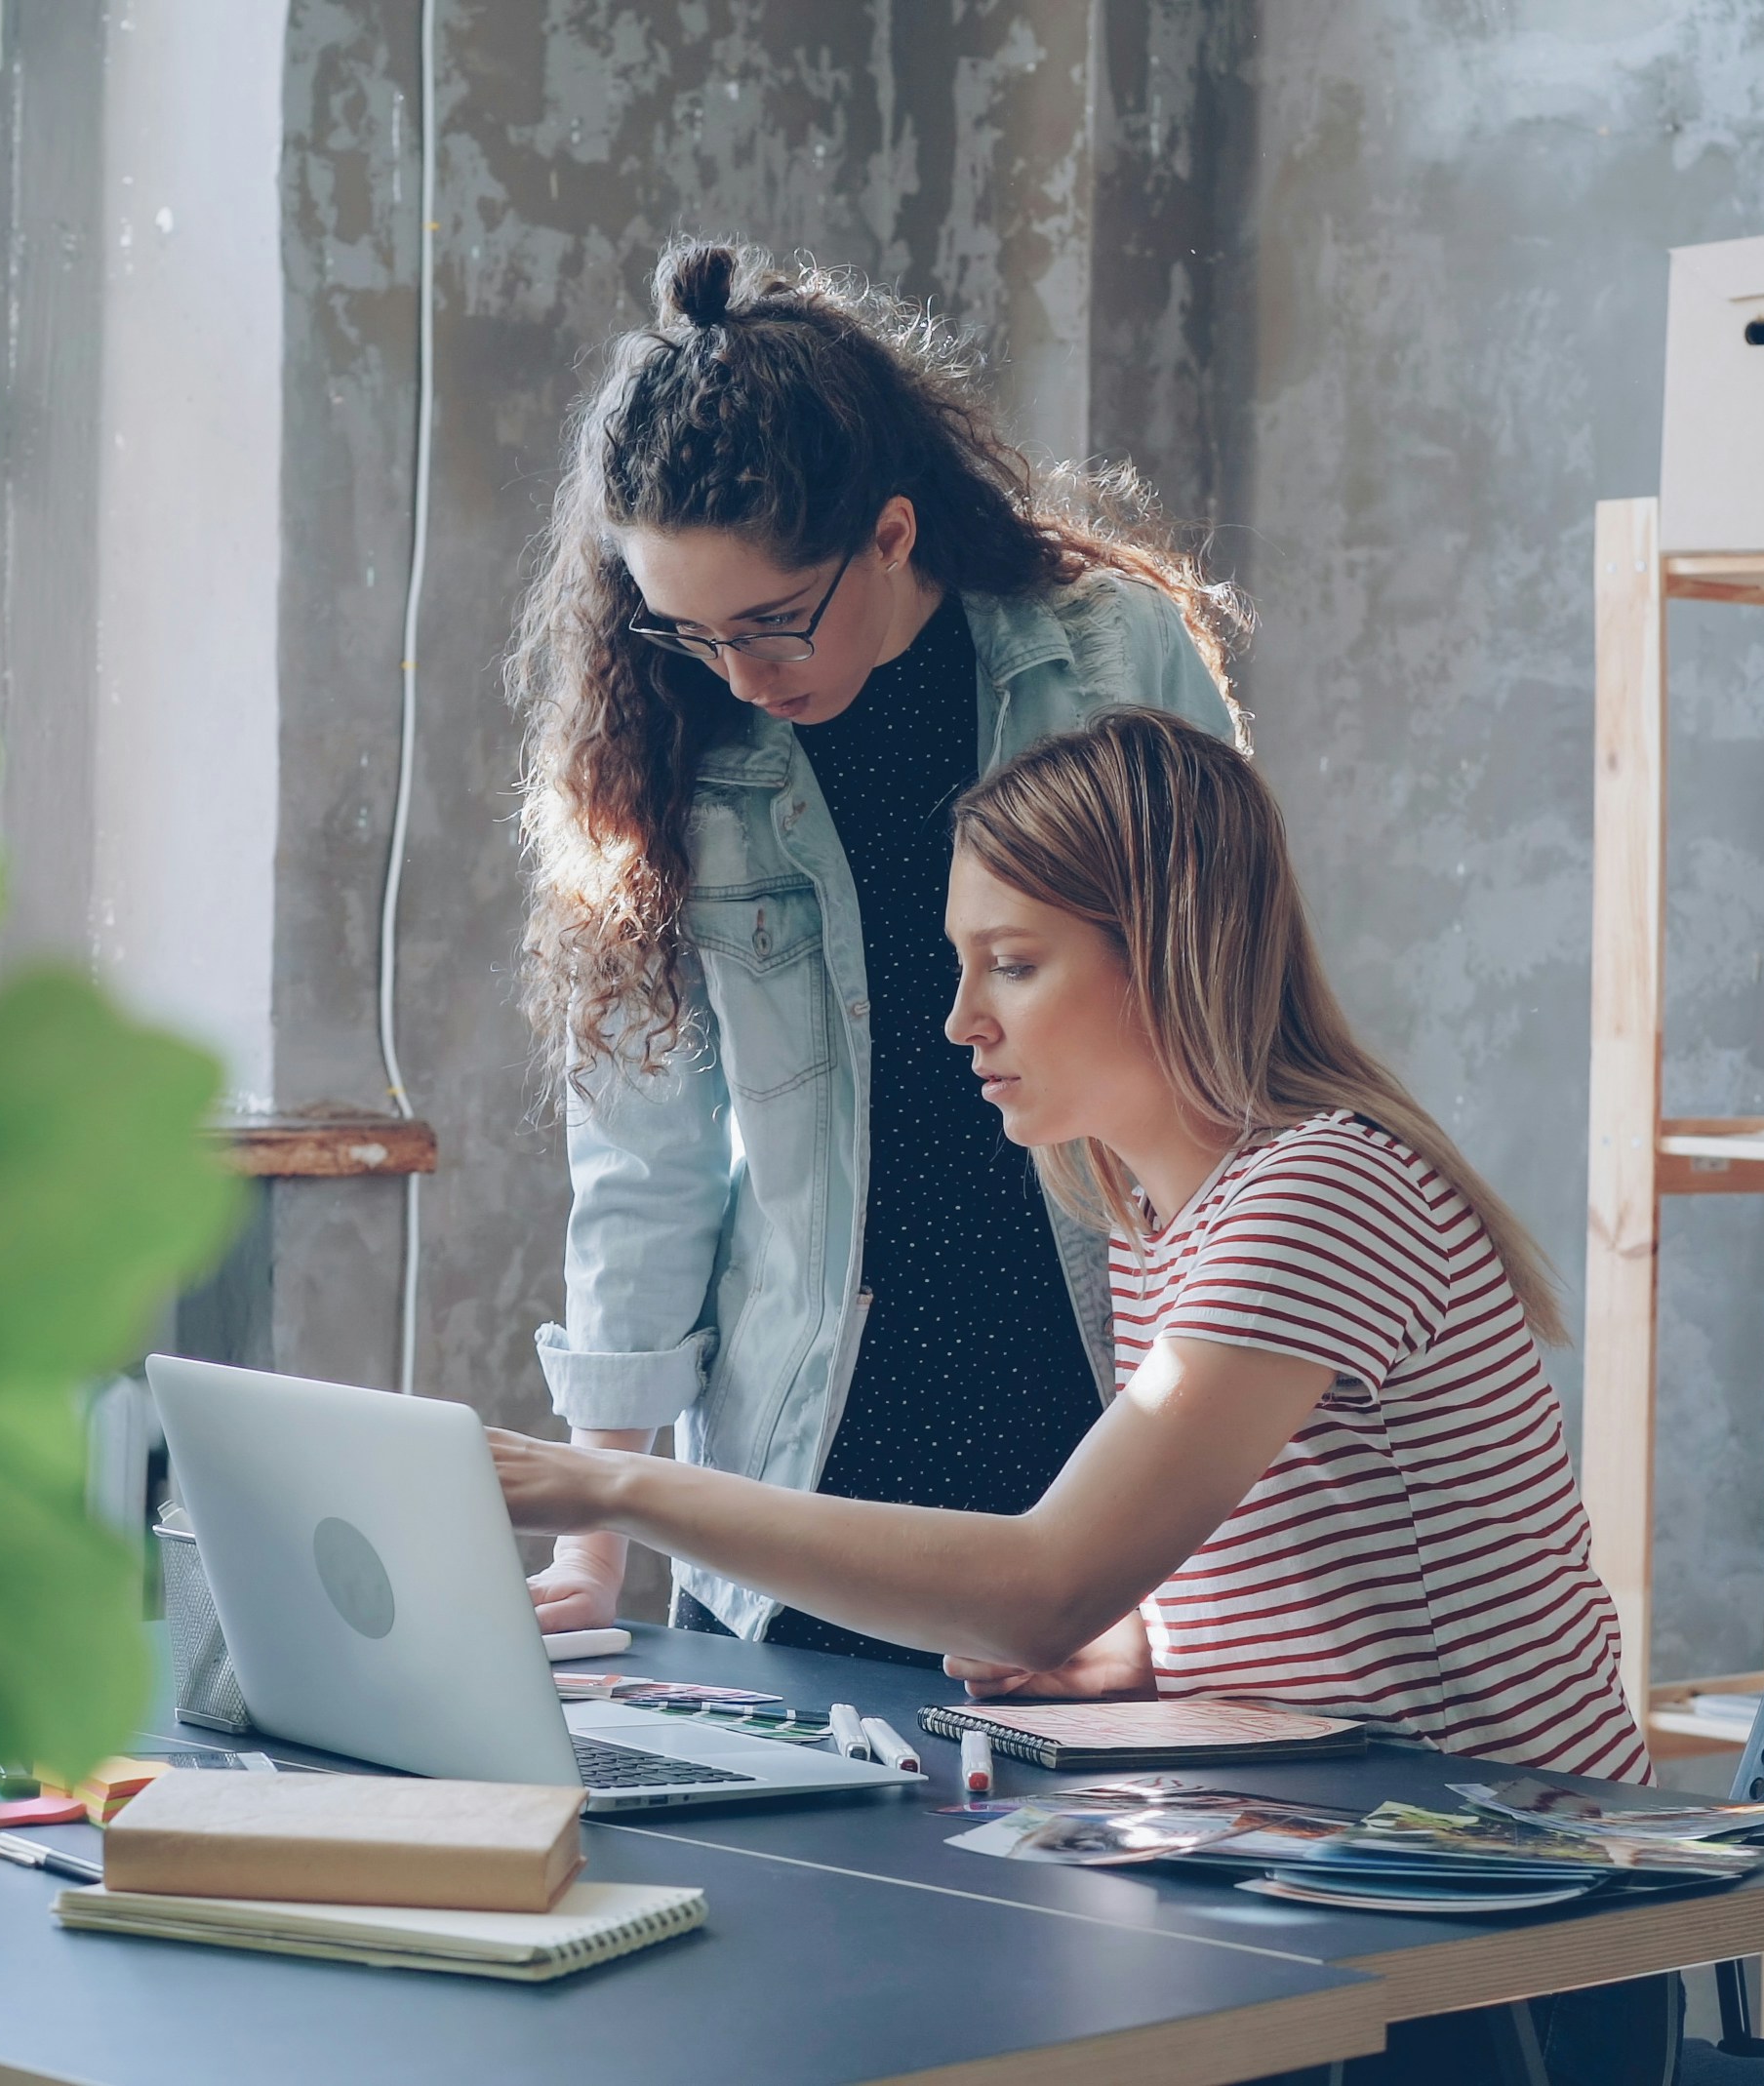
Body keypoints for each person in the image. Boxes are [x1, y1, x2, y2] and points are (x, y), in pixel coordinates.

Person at [495, 708, 1647, 1782]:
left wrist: (607, 1482)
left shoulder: (1321, 1192)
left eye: (1013, 962)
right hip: (1330, 1828)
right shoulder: (1148, 1214)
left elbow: (1039, 1587)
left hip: (1512, 1883)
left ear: (1166, 949)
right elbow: (1303, 1571)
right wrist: (1146, 1650)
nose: (959, 1019)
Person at [511, 239, 1246, 1665]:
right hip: (810, 1452)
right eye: (689, 628)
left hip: (1095, 1398)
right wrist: (594, 1539)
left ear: (894, 534)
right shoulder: (671, 738)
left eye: (774, 621)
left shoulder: (1109, 661)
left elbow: (1231, 1040)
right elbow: (646, 1155)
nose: (738, 673)